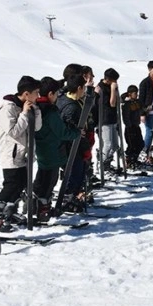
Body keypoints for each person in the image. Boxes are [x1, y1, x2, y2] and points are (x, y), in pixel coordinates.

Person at [0, 75, 42, 233]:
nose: (38, 96)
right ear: (26, 93)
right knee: (10, 185)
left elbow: (36, 128)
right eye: (36, 93)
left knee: (20, 185)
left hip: (23, 154)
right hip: (11, 153)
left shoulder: (27, 105)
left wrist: (36, 111)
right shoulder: (9, 107)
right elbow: (14, 131)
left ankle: (9, 213)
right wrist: (24, 114)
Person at [32, 77, 81, 222]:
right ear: (51, 94)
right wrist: (77, 132)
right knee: (49, 181)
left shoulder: (37, 107)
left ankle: (33, 205)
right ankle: (43, 209)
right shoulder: (50, 112)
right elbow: (62, 132)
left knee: (41, 178)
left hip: (42, 148)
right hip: (52, 150)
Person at [56, 74, 90, 212]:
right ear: (79, 88)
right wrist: (76, 131)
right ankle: (68, 197)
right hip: (71, 146)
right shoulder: (70, 105)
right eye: (83, 88)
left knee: (79, 170)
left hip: (77, 144)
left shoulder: (72, 101)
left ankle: (74, 195)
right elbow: (66, 125)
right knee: (74, 171)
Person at [97, 68, 120, 172]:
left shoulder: (110, 86)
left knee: (115, 145)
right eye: (114, 80)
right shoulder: (101, 88)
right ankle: (101, 164)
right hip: (105, 119)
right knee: (108, 144)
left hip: (113, 118)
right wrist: (112, 90)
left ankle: (107, 163)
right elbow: (112, 103)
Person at [121, 85, 144, 169]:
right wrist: (129, 125)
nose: (136, 95)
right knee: (132, 145)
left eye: (137, 93)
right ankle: (129, 160)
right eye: (135, 93)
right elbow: (125, 116)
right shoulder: (126, 103)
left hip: (136, 126)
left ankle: (134, 159)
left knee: (140, 144)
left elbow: (143, 109)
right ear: (130, 94)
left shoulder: (137, 102)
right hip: (130, 128)